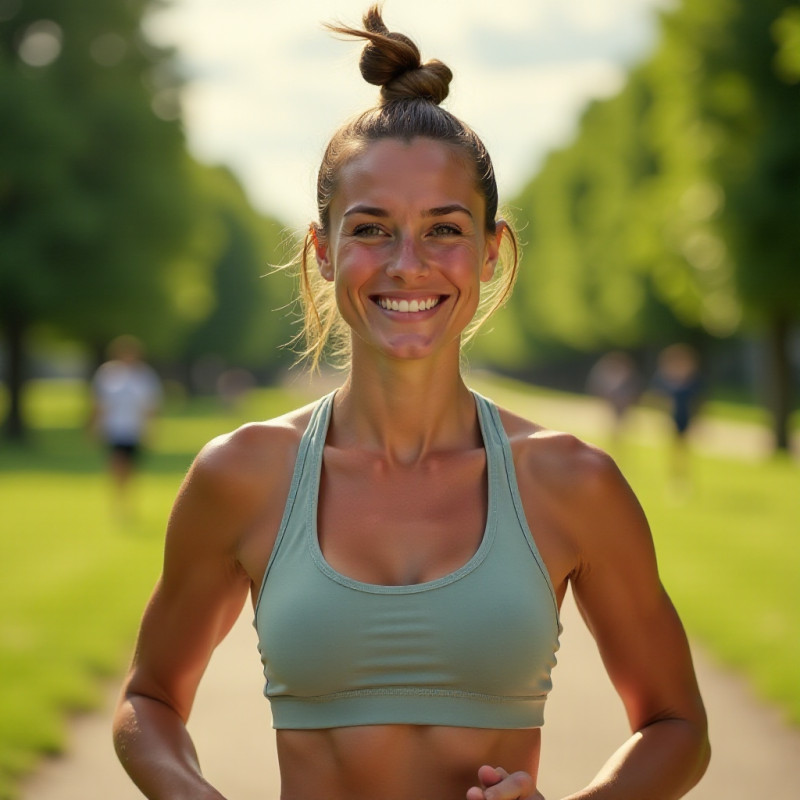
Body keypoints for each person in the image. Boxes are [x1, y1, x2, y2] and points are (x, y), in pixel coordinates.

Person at [112, 7, 710, 799]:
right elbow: (148, 701)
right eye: (371, 229)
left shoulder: (571, 483)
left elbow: (677, 726)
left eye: (443, 230)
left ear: (491, 251)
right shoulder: (243, 476)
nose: (407, 264)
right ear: (322, 252)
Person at [90, 334, 162, 520]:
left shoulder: (145, 376)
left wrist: (151, 428)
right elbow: (100, 403)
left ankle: (128, 502)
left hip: (135, 429)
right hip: (114, 429)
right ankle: (118, 503)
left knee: (130, 469)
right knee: (117, 466)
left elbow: (150, 406)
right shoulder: (108, 374)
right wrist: (95, 425)